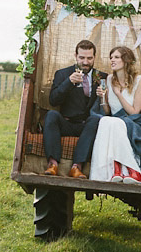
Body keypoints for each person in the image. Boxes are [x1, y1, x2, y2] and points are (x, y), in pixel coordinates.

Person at [90, 46, 141, 185]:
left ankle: (131, 169)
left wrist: (118, 94)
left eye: (116, 57)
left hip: (133, 122)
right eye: (111, 57)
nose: (112, 60)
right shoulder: (109, 78)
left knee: (112, 123)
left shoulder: (139, 80)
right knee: (106, 120)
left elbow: (135, 111)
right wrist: (103, 98)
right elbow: (107, 111)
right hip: (115, 122)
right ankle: (116, 170)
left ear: (126, 60)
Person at [43, 39, 106, 178]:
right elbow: (53, 100)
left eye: (89, 58)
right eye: (82, 57)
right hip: (67, 123)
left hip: (88, 125)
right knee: (51, 115)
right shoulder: (62, 74)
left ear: (95, 57)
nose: (85, 62)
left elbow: (107, 106)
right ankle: (53, 164)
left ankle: (77, 167)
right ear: (75, 56)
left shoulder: (102, 77)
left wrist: (104, 97)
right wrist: (68, 83)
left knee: (95, 119)